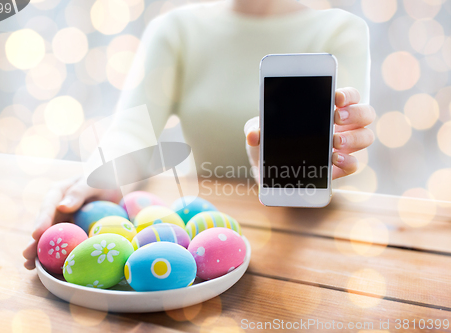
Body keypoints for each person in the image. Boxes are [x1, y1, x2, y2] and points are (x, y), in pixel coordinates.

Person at [23, 0, 375, 269]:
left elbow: (335, 155)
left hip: (312, 248)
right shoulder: (176, 29)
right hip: (197, 241)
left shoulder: (340, 30)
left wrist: (288, 165)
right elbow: (133, 132)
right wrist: (96, 179)